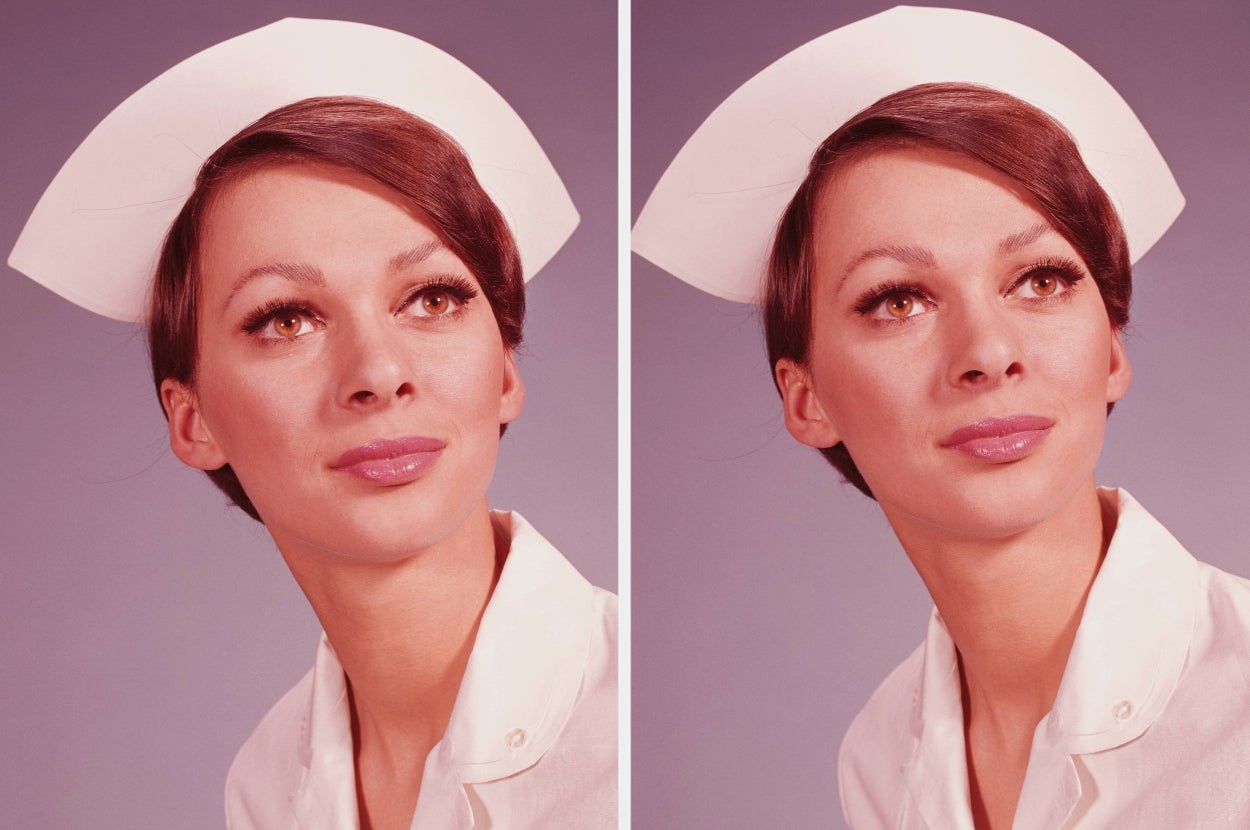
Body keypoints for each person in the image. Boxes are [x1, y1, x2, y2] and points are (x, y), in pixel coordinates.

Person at [635, 6, 1250, 828]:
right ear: (806, 397)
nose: (988, 352)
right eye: (900, 299)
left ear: (1109, 352)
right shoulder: (879, 755)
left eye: (1040, 279)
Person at [11, 19, 615, 830]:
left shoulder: (621, 733)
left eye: (431, 300)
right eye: (287, 319)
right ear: (193, 422)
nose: (378, 373)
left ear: (504, 368)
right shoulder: (265, 785)